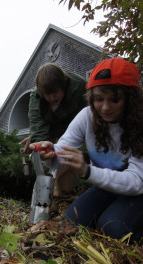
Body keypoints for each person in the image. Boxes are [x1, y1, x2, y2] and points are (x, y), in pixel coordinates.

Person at [30, 57, 143, 242]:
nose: (105, 108)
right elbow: (62, 148)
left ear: (130, 99)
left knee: (112, 229)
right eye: (99, 99)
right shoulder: (87, 116)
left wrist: (87, 171)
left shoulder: (139, 123)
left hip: (139, 190)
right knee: (71, 221)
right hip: (107, 187)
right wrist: (51, 152)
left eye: (114, 100)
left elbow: (137, 181)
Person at [20, 63, 87, 198]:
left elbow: (91, 116)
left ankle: (63, 198)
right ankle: (47, 198)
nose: (52, 97)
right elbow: (38, 130)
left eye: (55, 92)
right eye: (47, 94)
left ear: (63, 85)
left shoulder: (80, 87)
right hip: (49, 134)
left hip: (76, 132)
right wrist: (39, 151)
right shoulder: (36, 99)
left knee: (66, 164)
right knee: (46, 161)